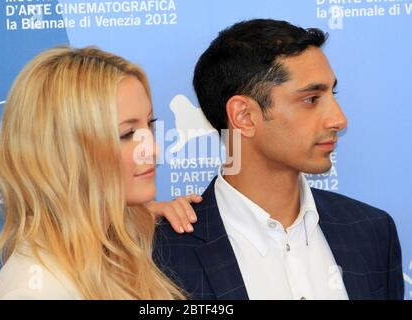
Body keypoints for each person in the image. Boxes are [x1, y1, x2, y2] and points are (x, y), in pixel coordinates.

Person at [153, 19, 404, 300]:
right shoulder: (160, 253)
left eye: (332, 93)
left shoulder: (371, 231)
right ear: (244, 116)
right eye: (311, 99)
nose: (339, 119)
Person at [0, 46, 200, 300]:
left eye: (149, 124)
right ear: (65, 152)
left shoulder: (109, 252)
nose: (154, 150)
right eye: (127, 134)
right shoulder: (36, 290)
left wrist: (141, 223)